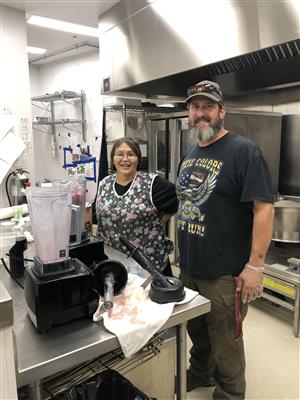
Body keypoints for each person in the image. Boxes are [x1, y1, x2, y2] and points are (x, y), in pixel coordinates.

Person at [176, 80, 274, 399]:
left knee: (225, 344)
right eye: (194, 107)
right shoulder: (190, 153)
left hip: (224, 275)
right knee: (198, 333)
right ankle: (200, 374)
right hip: (190, 268)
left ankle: (230, 395)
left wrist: (255, 267)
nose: (200, 113)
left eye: (207, 107)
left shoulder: (244, 151)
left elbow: (264, 209)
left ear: (222, 111)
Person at [96, 137, 178, 277]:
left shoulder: (152, 184)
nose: (125, 159)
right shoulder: (104, 183)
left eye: (131, 154)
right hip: (113, 262)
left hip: (149, 264)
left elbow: (178, 199)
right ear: (113, 158)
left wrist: (159, 220)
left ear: (138, 159)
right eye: (120, 154)